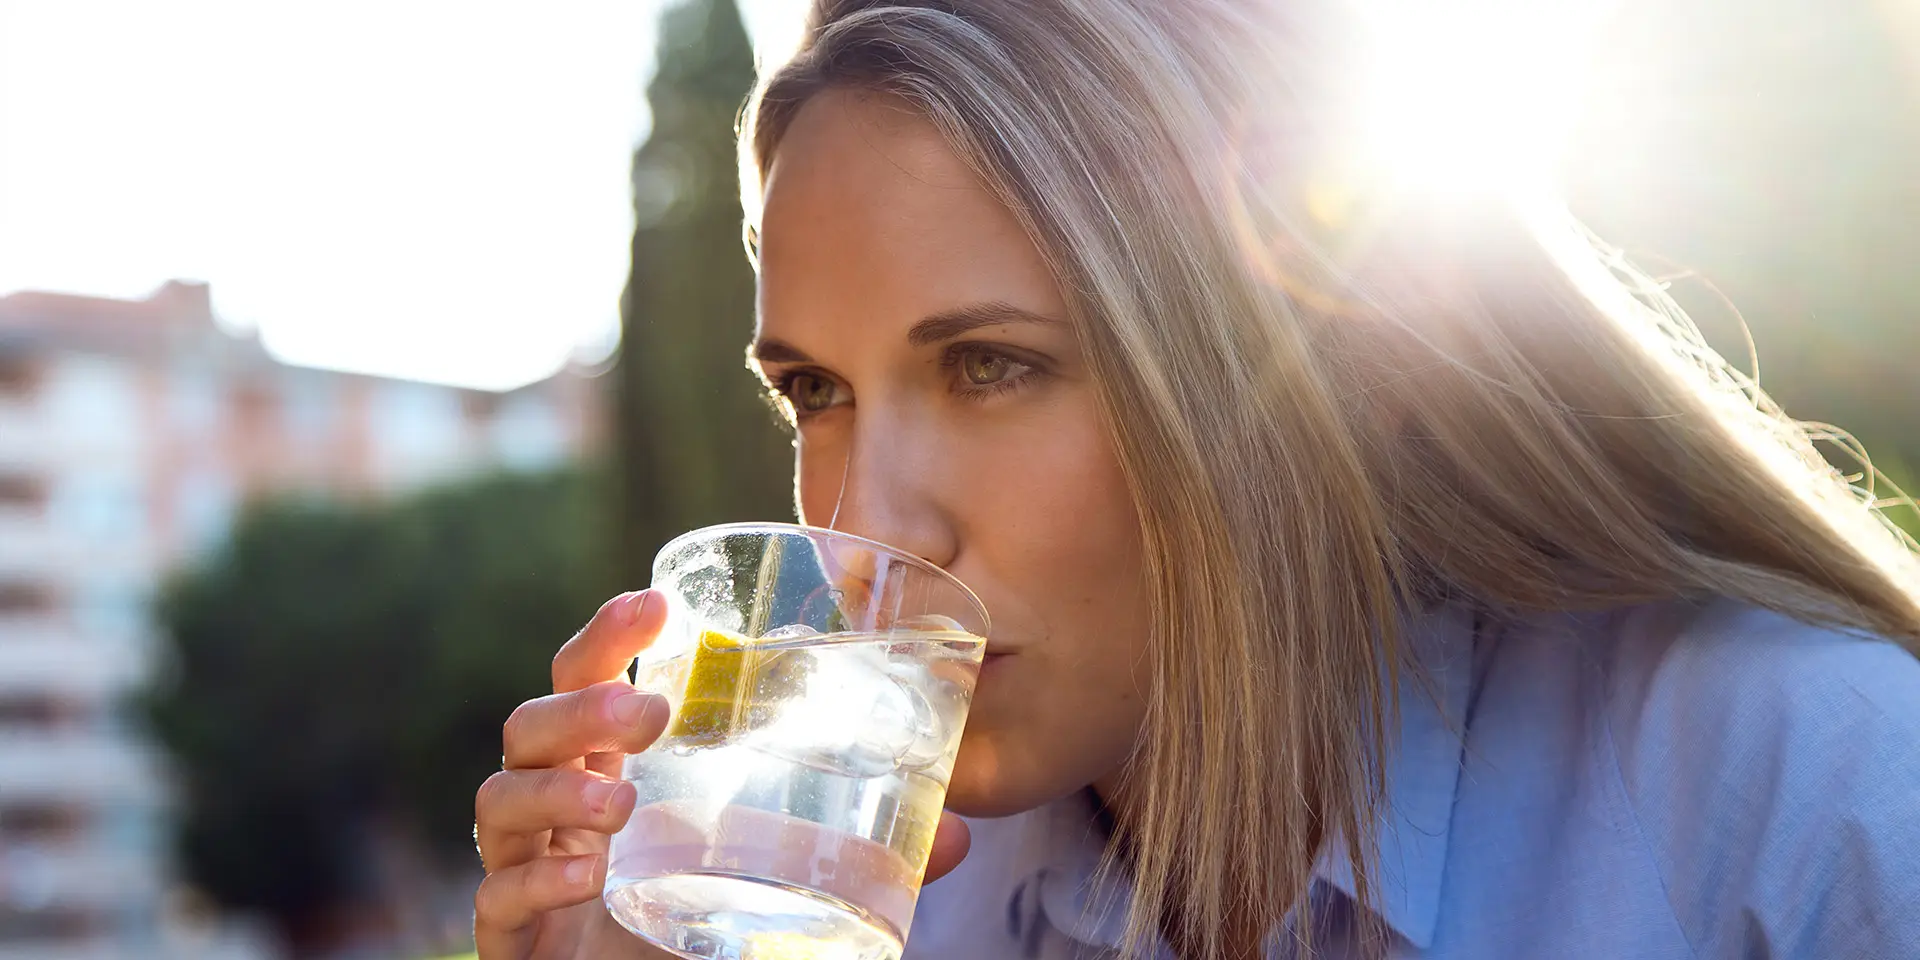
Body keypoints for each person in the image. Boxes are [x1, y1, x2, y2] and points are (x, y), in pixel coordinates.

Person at [470, 1, 1920, 957]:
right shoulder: (862, 901)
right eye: (816, 392)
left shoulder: (1810, 793)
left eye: (990, 366)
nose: (863, 528)